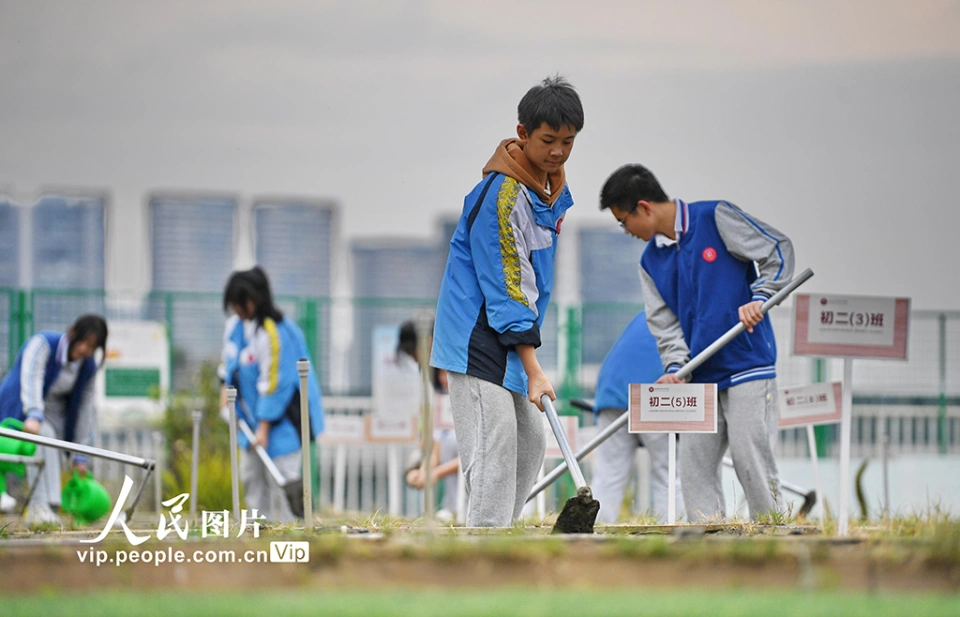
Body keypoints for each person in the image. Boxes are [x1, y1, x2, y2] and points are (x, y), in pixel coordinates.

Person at [599, 163, 795, 523]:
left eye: (623, 221)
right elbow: (665, 324)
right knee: (694, 468)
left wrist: (762, 295)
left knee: (749, 456)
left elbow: (776, 249)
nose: (626, 230)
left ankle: (772, 537)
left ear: (644, 207)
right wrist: (675, 367)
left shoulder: (715, 217)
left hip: (748, 365)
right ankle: (709, 544)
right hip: (699, 377)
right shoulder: (650, 261)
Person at [431, 75, 584, 527]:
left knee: (530, 443)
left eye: (568, 142)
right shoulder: (502, 196)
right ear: (522, 134)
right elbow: (507, 288)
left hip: (511, 339)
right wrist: (535, 368)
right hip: (478, 336)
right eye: (548, 140)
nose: (558, 151)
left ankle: (499, 538)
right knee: (493, 446)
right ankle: (482, 553)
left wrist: (527, 360)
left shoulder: (547, 195)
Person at [220, 266, 325, 522]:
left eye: (241, 302)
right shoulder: (235, 328)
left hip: (283, 421)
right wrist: (225, 397)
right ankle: (260, 538)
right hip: (249, 420)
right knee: (251, 478)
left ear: (256, 298)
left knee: (283, 479)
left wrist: (264, 428)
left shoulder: (275, 331)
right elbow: (228, 366)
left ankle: (291, 539)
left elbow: (276, 383)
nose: (237, 308)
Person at [0, 314, 108, 524]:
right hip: (17, 410)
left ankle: (49, 507)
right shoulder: (42, 344)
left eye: (92, 346)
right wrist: (34, 413)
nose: (85, 349)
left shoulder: (87, 368)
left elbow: (84, 410)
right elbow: (31, 378)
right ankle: (40, 507)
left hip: (54, 419)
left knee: (51, 440)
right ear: (73, 333)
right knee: (43, 436)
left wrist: (80, 454)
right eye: (84, 342)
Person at [592, 311, 684, 524]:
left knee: (609, 475)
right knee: (669, 474)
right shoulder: (687, 313)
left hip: (611, 392)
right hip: (654, 395)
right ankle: (670, 533)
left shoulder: (650, 312)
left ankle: (595, 534)